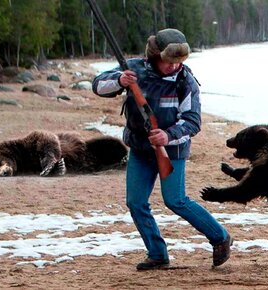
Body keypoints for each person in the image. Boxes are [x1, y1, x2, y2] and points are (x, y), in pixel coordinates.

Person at [92, 28, 232, 270]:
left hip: (173, 149)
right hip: (139, 148)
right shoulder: (133, 69)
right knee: (135, 202)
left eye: (179, 62)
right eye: (169, 61)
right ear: (155, 56)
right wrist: (119, 81)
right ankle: (157, 253)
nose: (174, 66)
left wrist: (167, 135)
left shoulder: (186, 81)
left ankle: (220, 237)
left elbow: (193, 121)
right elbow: (97, 85)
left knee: (175, 200)